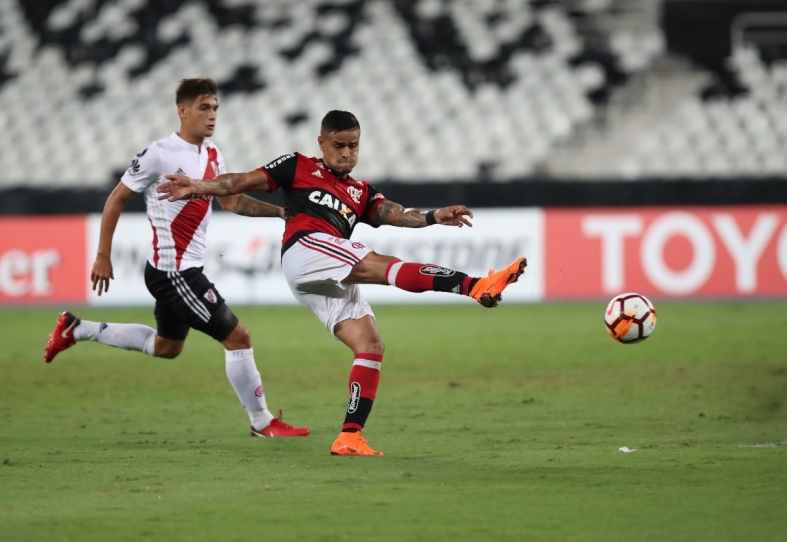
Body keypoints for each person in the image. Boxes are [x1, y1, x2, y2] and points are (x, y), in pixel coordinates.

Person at [156, 110, 526, 456]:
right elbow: (239, 182)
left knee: (370, 344)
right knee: (382, 266)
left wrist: (433, 216)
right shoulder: (297, 166)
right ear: (322, 143)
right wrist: (197, 184)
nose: (347, 153)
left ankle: (349, 436)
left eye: (354, 145)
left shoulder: (361, 192)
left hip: (323, 271)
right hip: (306, 248)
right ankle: (477, 286)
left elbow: (397, 214)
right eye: (339, 145)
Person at [43, 78, 309, 439]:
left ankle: (78, 328)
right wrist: (103, 255)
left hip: (179, 271)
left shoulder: (213, 154)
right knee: (238, 338)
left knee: (167, 348)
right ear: (182, 110)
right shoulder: (159, 152)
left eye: (215, 107)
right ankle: (262, 422)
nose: (212, 114)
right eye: (204, 107)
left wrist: (279, 213)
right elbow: (116, 199)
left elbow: (232, 202)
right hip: (175, 274)